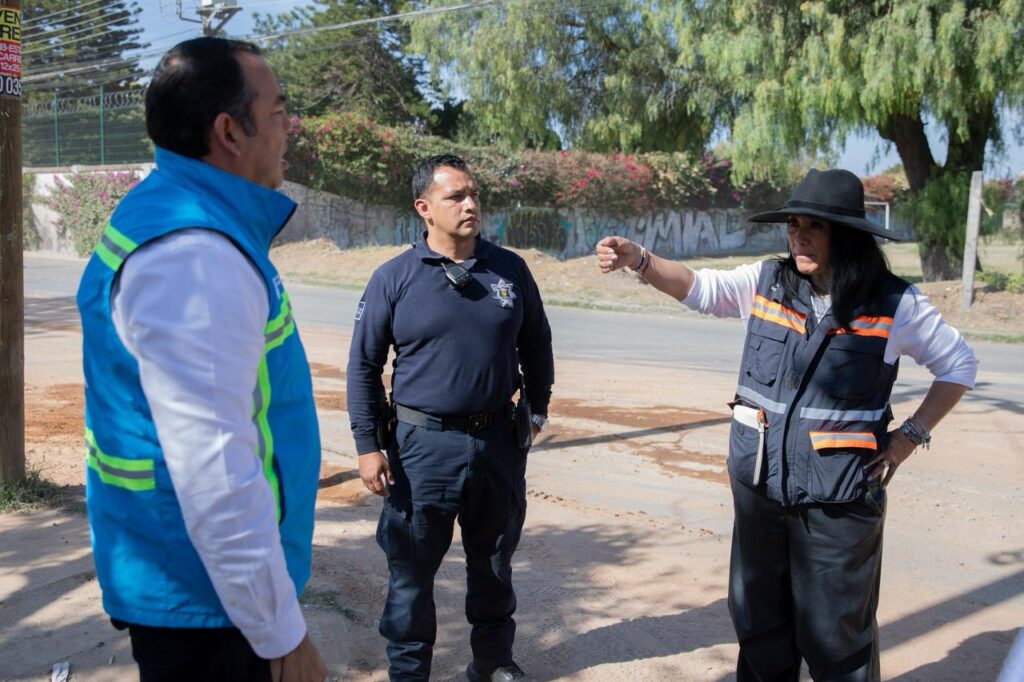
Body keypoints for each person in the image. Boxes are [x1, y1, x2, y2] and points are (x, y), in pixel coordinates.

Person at [596, 168, 977, 681]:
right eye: (793, 225)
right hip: (760, 488)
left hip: (838, 499)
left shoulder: (894, 303)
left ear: (845, 234)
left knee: (835, 635)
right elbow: (697, 287)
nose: (798, 236)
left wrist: (909, 437)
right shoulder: (767, 282)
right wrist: (640, 260)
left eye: (813, 226)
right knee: (759, 624)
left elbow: (958, 366)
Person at [76, 38, 327, 681]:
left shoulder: (172, 211)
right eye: (276, 109)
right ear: (228, 132)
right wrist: (281, 634)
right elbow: (214, 471)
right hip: (207, 605)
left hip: (192, 584)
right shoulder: (195, 254)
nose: (286, 126)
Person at [347, 154, 554, 681]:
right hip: (422, 449)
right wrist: (368, 445)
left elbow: (537, 343)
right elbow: (364, 366)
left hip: (497, 445)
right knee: (411, 574)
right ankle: (409, 673)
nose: (469, 204)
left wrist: (538, 408)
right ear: (424, 208)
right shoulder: (393, 278)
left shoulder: (509, 269)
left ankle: (492, 664)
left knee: (494, 566)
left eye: (472, 194)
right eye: (455, 197)